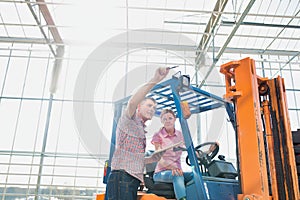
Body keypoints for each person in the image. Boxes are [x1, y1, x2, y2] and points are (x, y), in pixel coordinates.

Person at [106, 67, 170, 200]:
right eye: (149, 106)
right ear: (139, 107)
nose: (152, 109)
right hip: (123, 177)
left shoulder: (140, 129)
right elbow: (133, 102)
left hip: (130, 179)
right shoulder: (129, 120)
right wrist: (155, 80)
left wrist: (152, 159)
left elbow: (133, 158)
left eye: (154, 108)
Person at [151, 109, 193, 200]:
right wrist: (173, 168)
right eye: (165, 119)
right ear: (162, 121)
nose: (167, 121)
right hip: (161, 172)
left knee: (196, 175)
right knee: (177, 175)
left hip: (178, 171)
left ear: (174, 119)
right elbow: (159, 159)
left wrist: (207, 151)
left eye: (170, 118)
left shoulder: (180, 135)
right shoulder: (158, 135)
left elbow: (191, 150)